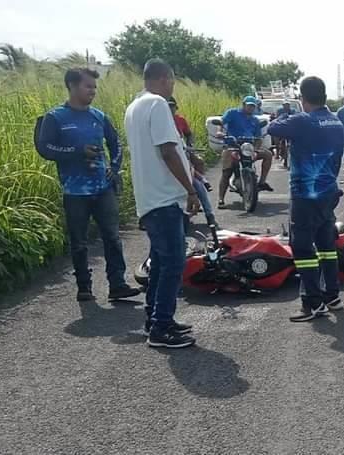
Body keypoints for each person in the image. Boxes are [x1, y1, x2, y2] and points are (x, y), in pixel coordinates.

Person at [36, 68, 140, 302]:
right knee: (79, 241)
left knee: (112, 237)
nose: (93, 90)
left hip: (103, 188)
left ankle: (118, 285)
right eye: (88, 86)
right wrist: (76, 152)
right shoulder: (55, 117)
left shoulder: (99, 116)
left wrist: (114, 167)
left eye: (94, 87)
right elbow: (45, 148)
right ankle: (84, 287)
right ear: (72, 86)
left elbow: (116, 144)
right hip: (74, 191)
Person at [124, 58, 198, 348]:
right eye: (173, 81)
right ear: (166, 78)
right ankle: (161, 328)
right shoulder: (156, 104)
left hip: (150, 197)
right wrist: (190, 190)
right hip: (165, 198)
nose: (172, 86)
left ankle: (154, 318)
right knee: (172, 265)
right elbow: (168, 151)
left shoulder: (135, 106)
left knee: (158, 264)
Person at [267, 76, 344, 322]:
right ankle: (331, 294)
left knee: (302, 248)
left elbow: (273, 128)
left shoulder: (302, 120)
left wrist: (282, 113)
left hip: (305, 195)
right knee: (326, 247)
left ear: (302, 98)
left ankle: (312, 303)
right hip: (328, 193)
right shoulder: (336, 122)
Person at [216, 96, 275, 208]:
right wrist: (220, 132)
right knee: (226, 172)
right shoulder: (232, 113)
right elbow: (222, 122)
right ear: (243, 104)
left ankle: (262, 182)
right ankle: (221, 199)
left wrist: (256, 150)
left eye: (253, 106)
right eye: (249, 105)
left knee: (268, 154)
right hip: (233, 146)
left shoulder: (255, 120)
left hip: (248, 147)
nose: (251, 108)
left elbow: (258, 138)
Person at [168, 97, 217, 228]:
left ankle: (209, 214)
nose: (170, 109)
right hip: (165, 161)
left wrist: (189, 145)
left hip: (183, 154)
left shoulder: (179, 121)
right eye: (168, 106)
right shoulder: (158, 123)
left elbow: (188, 135)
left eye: (172, 106)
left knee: (197, 184)